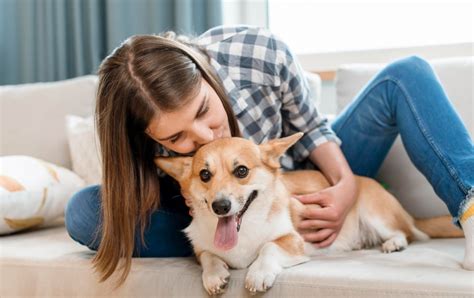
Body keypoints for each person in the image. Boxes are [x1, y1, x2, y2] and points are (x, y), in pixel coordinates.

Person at [65, 25, 474, 285]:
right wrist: (197, 197)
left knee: (407, 73)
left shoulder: (258, 52)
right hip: (213, 207)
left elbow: (311, 128)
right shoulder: (134, 127)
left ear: (206, 74)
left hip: (310, 178)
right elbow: (143, 188)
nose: (206, 133)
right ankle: (227, 247)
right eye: (176, 137)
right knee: (85, 212)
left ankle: (472, 208)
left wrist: (345, 186)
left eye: (205, 110)